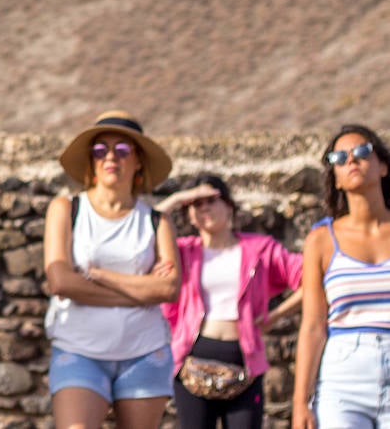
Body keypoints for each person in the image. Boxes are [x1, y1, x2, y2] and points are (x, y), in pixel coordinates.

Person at [43, 111, 179, 429]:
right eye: (100, 150)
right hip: (79, 349)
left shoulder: (157, 221)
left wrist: (101, 276)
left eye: (122, 150)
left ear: (139, 161)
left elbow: (169, 289)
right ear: (91, 160)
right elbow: (61, 282)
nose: (110, 158)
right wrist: (141, 291)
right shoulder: (67, 210)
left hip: (145, 352)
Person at [156, 174, 302, 429]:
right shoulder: (182, 251)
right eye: (196, 204)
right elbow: (142, 230)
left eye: (211, 200)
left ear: (229, 204)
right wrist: (179, 198)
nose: (204, 208)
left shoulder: (259, 248)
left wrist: (274, 316)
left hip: (244, 362)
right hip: (192, 363)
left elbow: (310, 277)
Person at [292, 125, 390, 429]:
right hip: (342, 379)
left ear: (382, 166)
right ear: (334, 175)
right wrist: (299, 405)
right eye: (339, 157)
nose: (352, 161)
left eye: (362, 151)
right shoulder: (321, 240)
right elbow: (312, 326)